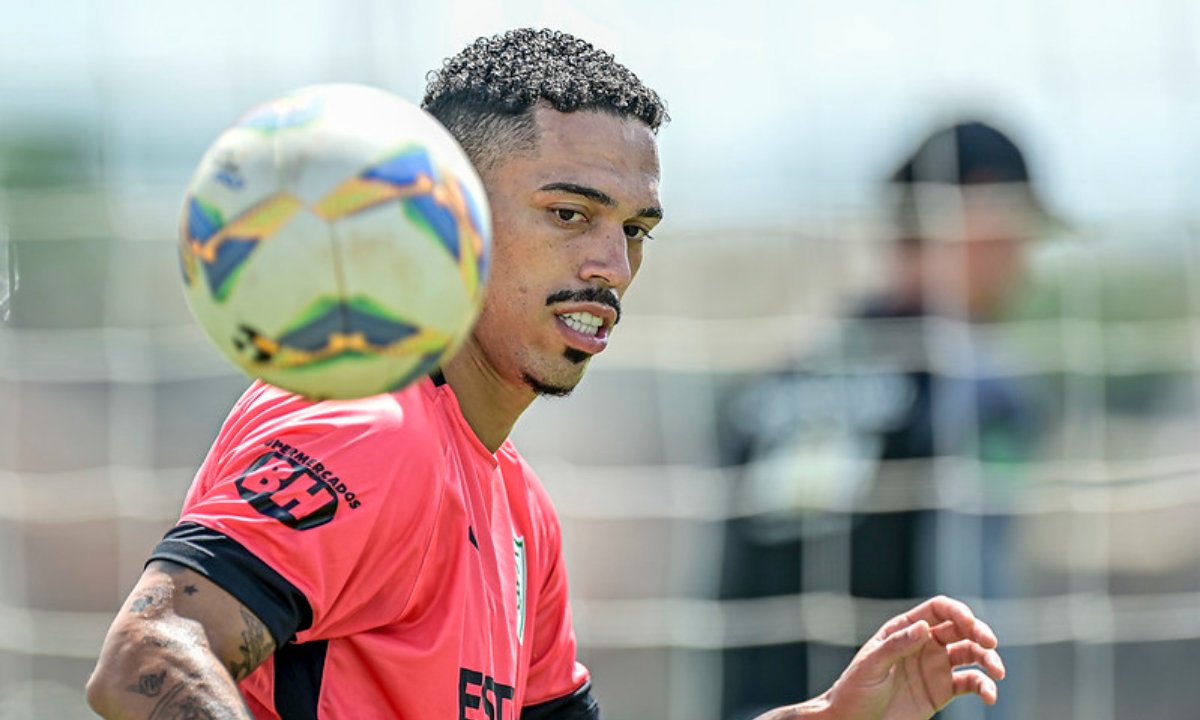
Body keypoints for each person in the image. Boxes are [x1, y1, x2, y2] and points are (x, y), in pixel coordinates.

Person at [86, 30, 1005, 720]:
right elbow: (145, 659)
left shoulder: (522, 513)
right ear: (450, 216)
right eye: (570, 214)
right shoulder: (372, 423)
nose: (611, 262)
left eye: (635, 230)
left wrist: (825, 718)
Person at [719, 120, 1049, 719]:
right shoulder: (975, 391)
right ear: (978, 218)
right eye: (1022, 234)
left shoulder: (766, 391)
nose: (1025, 265)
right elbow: (978, 597)